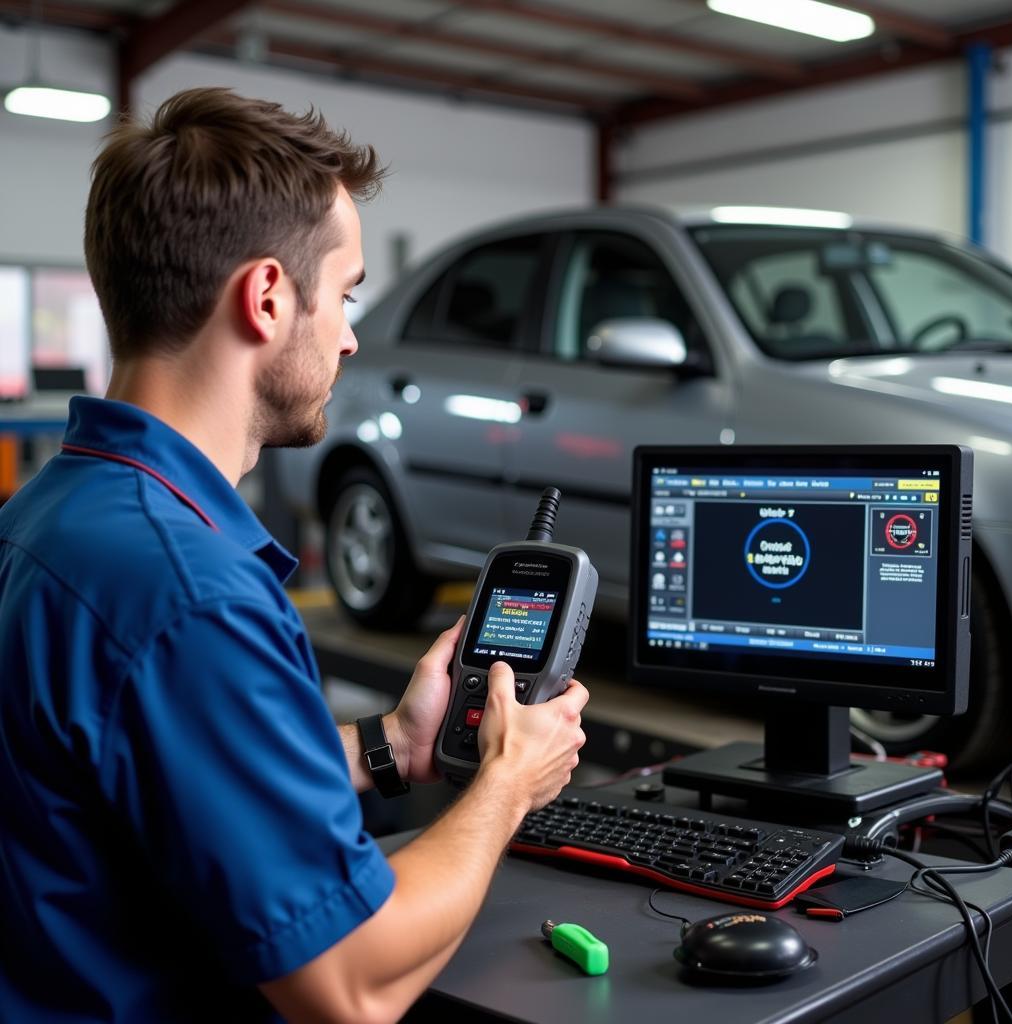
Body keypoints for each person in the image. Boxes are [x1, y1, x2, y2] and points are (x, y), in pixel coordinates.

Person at [0, 87, 588, 1024]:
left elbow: (157, 774)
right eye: (346, 293)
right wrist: (510, 785)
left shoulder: (50, 512)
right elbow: (349, 987)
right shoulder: (189, 593)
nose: (352, 335)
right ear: (268, 297)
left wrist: (394, 749)